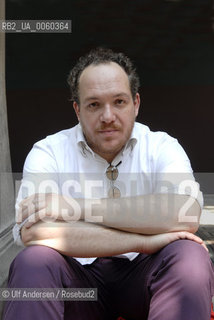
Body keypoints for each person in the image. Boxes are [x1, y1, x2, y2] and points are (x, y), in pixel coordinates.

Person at [3, 47, 214, 320]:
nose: (107, 116)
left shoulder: (162, 146)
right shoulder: (49, 151)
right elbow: (35, 232)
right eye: (93, 105)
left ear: (136, 103)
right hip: (76, 281)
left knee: (190, 258)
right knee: (33, 262)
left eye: (119, 102)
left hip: (146, 280)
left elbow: (184, 213)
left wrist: (75, 207)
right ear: (77, 110)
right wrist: (144, 241)